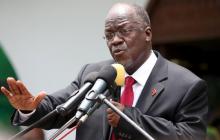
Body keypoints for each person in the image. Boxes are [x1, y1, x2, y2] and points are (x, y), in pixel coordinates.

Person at [0, 2, 208, 140]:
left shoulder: (186, 85)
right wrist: (30, 108)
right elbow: (59, 108)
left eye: (124, 31)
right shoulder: (95, 73)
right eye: (109, 34)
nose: (115, 40)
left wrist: (129, 119)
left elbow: (189, 136)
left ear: (147, 34)